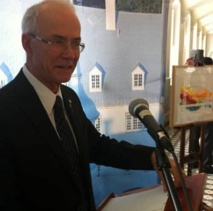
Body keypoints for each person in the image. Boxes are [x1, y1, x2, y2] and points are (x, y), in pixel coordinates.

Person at [0, 1, 184, 210]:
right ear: (27, 43)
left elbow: (96, 147)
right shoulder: (5, 110)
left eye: (75, 43)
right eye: (57, 42)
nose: (70, 54)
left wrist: (152, 156)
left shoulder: (68, 98)